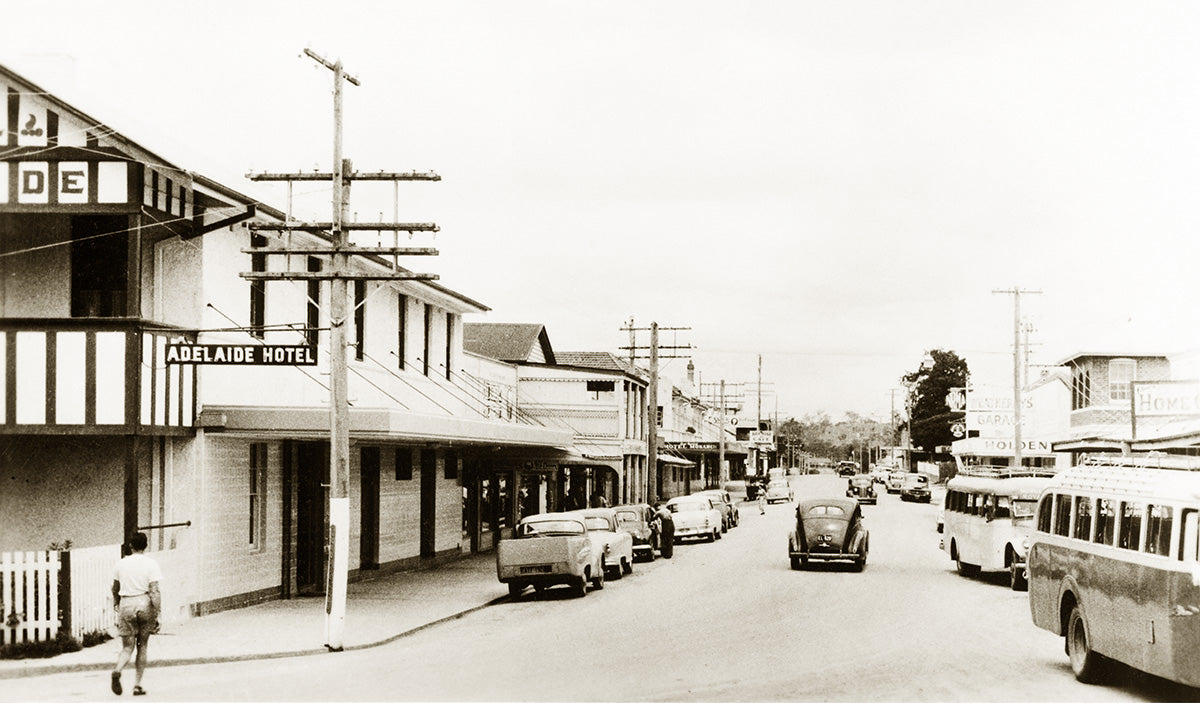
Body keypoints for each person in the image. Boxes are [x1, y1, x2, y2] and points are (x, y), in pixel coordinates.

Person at [111, 532, 162, 697]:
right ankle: (137, 685)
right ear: (145, 546)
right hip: (144, 603)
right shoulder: (151, 564)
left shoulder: (121, 564)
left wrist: (116, 603)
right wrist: (158, 613)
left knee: (127, 647)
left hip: (126, 603)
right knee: (143, 646)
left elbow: (115, 588)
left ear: (131, 546)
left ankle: (117, 670)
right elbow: (154, 591)